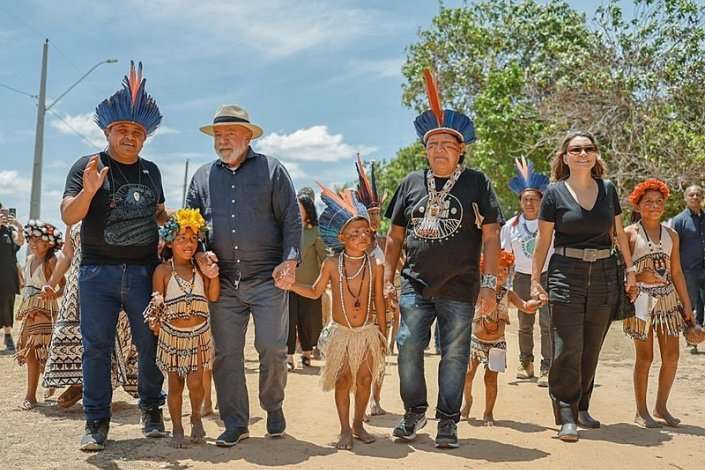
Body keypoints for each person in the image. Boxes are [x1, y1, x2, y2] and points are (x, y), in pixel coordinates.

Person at [384, 69, 502, 448]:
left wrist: (488, 285)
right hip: (414, 283)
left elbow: (492, 233)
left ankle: (448, 421)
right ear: (425, 150)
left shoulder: (477, 182)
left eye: (447, 145)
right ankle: (414, 411)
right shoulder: (409, 183)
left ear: (461, 150)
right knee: (407, 343)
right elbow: (394, 236)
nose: (439, 151)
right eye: (432, 145)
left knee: (454, 353)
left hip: (461, 284)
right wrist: (389, 278)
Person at [61, 62, 169, 451]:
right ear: (107, 131)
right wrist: (89, 191)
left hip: (143, 273)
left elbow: (158, 213)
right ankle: (96, 422)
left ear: (145, 138)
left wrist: (172, 221)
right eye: (122, 130)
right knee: (97, 347)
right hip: (96, 273)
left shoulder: (152, 171)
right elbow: (68, 215)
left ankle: (152, 410)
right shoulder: (87, 166)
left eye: (137, 132)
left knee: (150, 342)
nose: (130, 136)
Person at [186, 104, 301, 447]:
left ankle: (273, 406)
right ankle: (235, 422)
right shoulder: (202, 178)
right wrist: (199, 254)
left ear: (248, 136)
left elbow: (292, 220)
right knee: (226, 354)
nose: (223, 141)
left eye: (230, 134)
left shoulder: (273, 170)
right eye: (218, 136)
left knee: (272, 347)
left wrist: (290, 260)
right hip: (224, 283)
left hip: (268, 279)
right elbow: (192, 228)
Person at [531, 131, 637, 442]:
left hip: (605, 273)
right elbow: (543, 240)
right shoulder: (553, 193)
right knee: (569, 347)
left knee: (592, 347)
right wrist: (536, 280)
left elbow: (618, 232)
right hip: (566, 273)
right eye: (576, 149)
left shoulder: (608, 189)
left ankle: (582, 407)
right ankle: (566, 414)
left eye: (589, 148)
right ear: (565, 157)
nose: (583, 153)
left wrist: (630, 271)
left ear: (596, 156)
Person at [278, 185, 386, 450]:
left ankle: (359, 423)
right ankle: (344, 429)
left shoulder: (375, 265)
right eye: (355, 233)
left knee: (363, 381)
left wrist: (382, 335)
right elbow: (315, 292)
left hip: (367, 332)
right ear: (342, 237)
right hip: (341, 333)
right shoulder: (331, 264)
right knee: (342, 380)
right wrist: (291, 286)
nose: (362, 236)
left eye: (365, 232)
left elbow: (379, 302)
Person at [41, 222, 139, 408]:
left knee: (113, 330)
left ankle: (101, 385)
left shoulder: (117, 205)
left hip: (113, 277)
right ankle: (79, 382)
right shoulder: (76, 212)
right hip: (79, 280)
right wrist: (51, 282)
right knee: (76, 332)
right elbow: (67, 254)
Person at [144, 209, 219, 448]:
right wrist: (156, 306)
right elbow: (157, 296)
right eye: (182, 239)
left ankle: (196, 416)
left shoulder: (201, 270)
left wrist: (214, 274)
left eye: (193, 239)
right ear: (169, 241)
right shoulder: (163, 271)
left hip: (199, 335)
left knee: (196, 383)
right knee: (175, 383)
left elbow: (213, 296)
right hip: (172, 337)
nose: (188, 244)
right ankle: (177, 427)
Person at [623, 179, 694, 428]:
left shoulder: (671, 234)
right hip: (640, 300)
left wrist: (686, 304)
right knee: (645, 357)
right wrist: (639, 277)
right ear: (638, 204)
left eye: (658, 202)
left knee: (672, 356)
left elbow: (676, 272)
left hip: (667, 300)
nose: (654, 206)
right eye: (648, 202)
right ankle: (641, 411)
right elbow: (622, 269)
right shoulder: (630, 233)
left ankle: (661, 407)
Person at [461, 250, 540, 425]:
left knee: (491, 379)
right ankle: (467, 401)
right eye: (497, 270)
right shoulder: (478, 291)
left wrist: (533, 304)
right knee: (467, 375)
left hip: (497, 344)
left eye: (505, 269)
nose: (502, 273)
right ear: (486, 272)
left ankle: (488, 413)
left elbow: (525, 306)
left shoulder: (508, 294)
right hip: (475, 342)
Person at [502, 158, 552, 386]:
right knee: (524, 322)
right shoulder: (510, 226)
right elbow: (505, 256)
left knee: (548, 322)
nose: (530, 203)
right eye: (526, 199)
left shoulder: (551, 224)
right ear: (520, 201)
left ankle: (548, 366)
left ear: (542, 200)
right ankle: (526, 362)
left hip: (548, 275)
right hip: (522, 277)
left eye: (534, 199)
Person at [15, 220, 63, 410]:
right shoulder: (28, 260)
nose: (33, 244)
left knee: (45, 352)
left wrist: (51, 294)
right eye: (31, 239)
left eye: (38, 240)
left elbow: (64, 287)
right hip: (29, 311)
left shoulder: (51, 261)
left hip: (46, 312)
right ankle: (31, 395)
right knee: (30, 354)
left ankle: (48, 383)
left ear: (49, 242)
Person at [287, 192, 326, 371]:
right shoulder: (287, 229)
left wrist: (326, 280)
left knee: (308, 321)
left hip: (309, 285)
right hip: (288, 285)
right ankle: (289, 357)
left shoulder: (315, 232)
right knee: (288, 320)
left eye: (299, 207)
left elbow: (324, 257)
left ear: (308, 210)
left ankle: (307, 355)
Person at [672, 185, 705, 352]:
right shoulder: (679, 221)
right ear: (686, 198)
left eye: (698, 194)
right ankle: (691, 340)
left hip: (704, 268)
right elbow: (673, 249)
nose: (695, 196)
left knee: (702, 306)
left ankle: (700, 334)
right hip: (688, 271)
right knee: (689, 305)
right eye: (691, 194)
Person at [0, 204, 24, 352]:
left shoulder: (9, 231)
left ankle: (8, 336)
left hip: (7, 274)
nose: (2, 215)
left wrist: (19, 227)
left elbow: (20, 242)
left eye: (3, 212)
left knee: (7, 303)